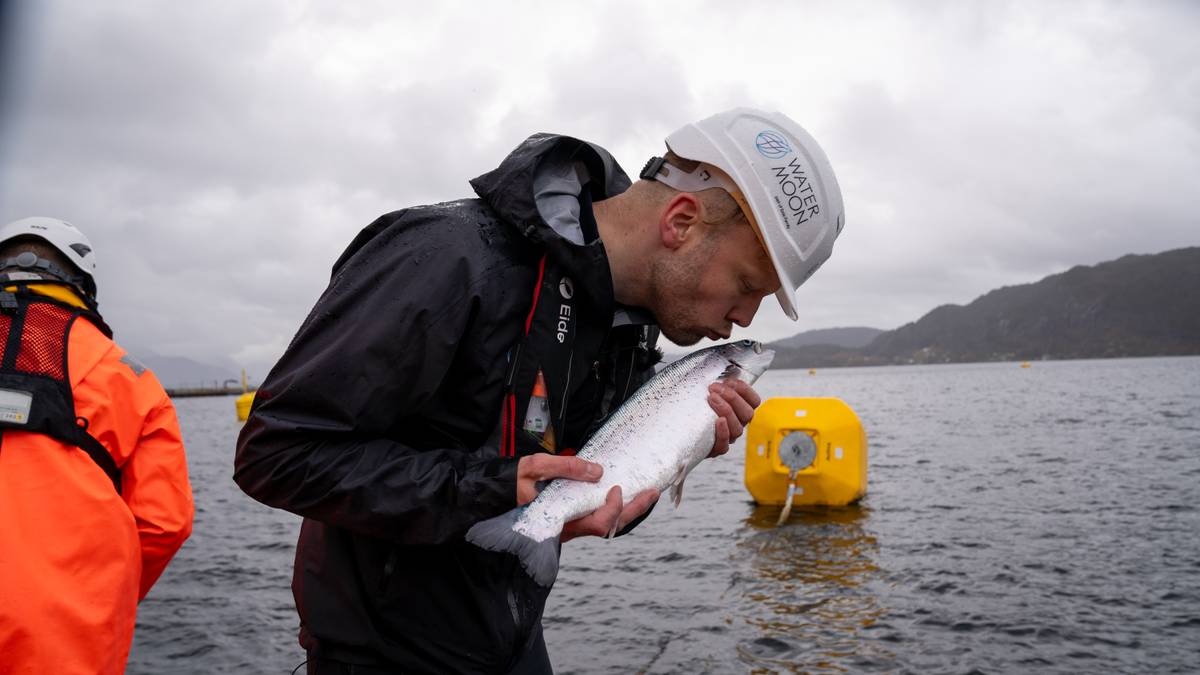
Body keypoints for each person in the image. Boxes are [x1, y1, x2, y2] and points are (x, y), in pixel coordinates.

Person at [234, 107, 844, 674]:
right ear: (680, 222)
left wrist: (680, 448)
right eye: (747, 283)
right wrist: (493, 489)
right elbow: (277, 453)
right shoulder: (447, 257)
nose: (745, 318)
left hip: (514, 646)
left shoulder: (628, 328)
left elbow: (593, 489)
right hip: (382, 657)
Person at [0, 217, 194, 674]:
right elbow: (164, 523)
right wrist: (100, 592)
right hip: (59, 634)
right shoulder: (130, 378)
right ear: (81, 282)